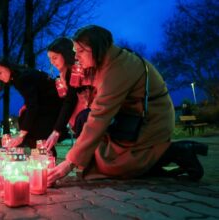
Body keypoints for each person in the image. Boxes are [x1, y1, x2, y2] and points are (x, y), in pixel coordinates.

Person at [48, 25, 208, 185]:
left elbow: (99, 115)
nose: (77, 57)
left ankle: (178, 152)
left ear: (96, 48)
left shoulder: (118, 68)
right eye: (75, 51)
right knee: (99, 157)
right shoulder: (105, 62)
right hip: (129, 119)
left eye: (80, 51)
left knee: (113, 165)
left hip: (151, 120)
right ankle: (156, 164)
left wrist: (68, 163)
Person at [0, 58, 69, 157]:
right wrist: (26, 105)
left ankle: (45, 156)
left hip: (54, 107)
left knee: (29, 126)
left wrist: (22, 134)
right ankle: (43, 155)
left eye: (0, 73)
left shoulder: (22, 78)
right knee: (24, 118)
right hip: (49, 104)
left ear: (8, 67)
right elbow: (34, 95)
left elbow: (33, 105)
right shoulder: (20, 76)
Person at [44, 37, 92, 152]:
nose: (52, 62)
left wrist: (57, 130)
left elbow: (70, 100)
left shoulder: (75, 72)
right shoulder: (62, 75)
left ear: (65, 54)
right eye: (50, 59)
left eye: (55, 57)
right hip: (80, 119)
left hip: (87, 118)